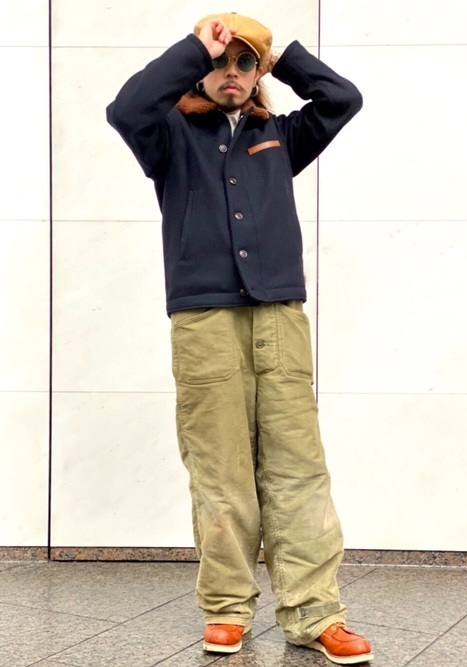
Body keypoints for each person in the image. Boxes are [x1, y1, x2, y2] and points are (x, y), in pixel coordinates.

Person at [107, 11, 372, 665]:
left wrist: (281, 56)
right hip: (205, 321)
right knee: (220, 470)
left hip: (280, 315)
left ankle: (315, 613)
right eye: (220, 62)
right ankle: (226, 608)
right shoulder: (167, 136)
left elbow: (342, 99)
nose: (232, 72)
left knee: (297, 469)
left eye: (244, 63)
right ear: (200, 69)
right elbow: (125, 108)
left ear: (258, 74)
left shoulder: (280, 135)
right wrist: (197, 46)